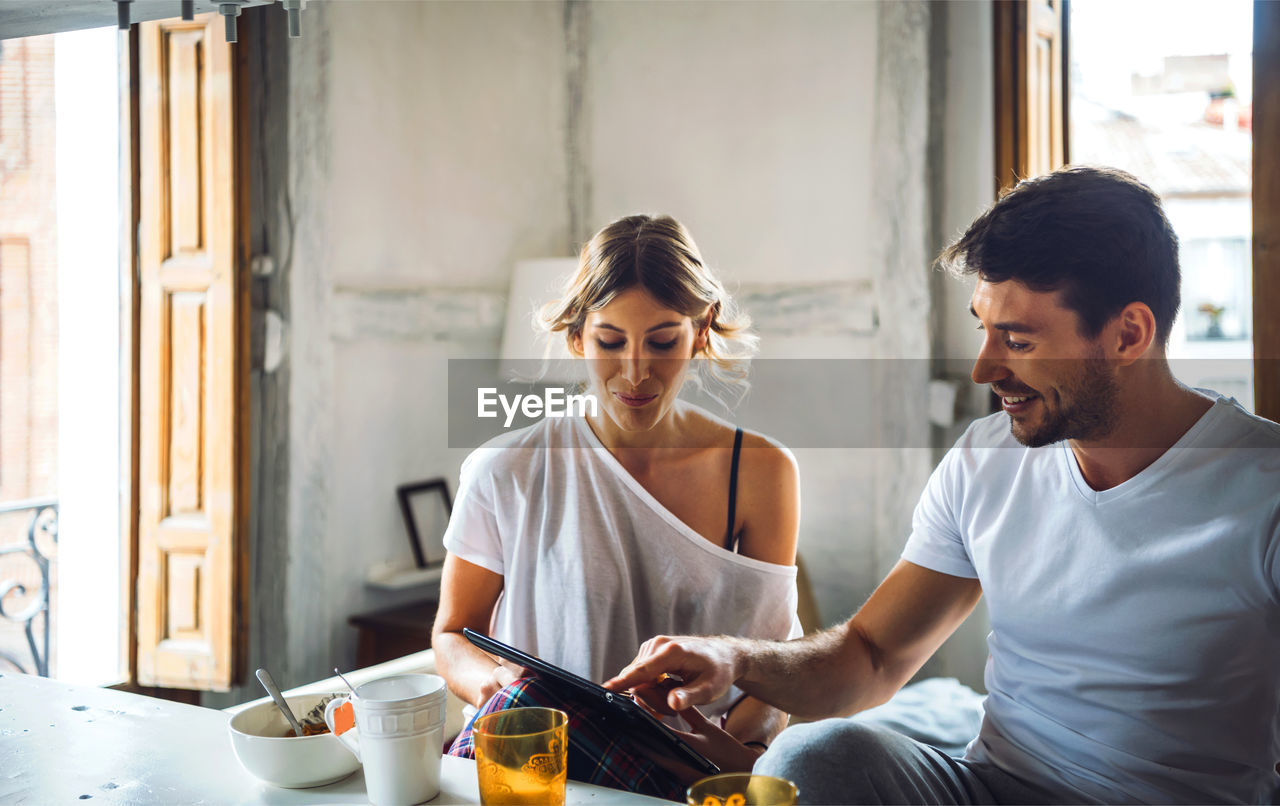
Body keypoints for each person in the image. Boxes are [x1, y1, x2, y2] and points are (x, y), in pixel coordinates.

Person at [605, 166, 1280, 804]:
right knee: (807, 757)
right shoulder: (987, 460)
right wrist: (733, 659)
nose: (985, 368)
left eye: (1017, 339)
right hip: (991, 787)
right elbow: (870, 658)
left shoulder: (1263, 491)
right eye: (984, 331)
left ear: (1128, 333)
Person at [431, 214, 803, 800]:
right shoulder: (504, 469)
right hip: (547, 765)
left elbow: (773, 664)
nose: (636, 372)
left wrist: (741, 748)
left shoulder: (758, 471)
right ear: (577, 336)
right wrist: (507, 693)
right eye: (610, 341)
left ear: (701, 331)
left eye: (662, 341)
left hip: (688, 772)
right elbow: (454, 635)